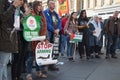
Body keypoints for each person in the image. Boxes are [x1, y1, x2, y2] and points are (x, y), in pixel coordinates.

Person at [0, 0, 23, 80]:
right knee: (2, 64)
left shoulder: (11, 4)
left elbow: (14, 23)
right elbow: (2, 18)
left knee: (4, 64)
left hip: (10, 37)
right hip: (4, 37)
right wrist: (13, 6)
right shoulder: (3, 3)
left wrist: (22, 18)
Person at [44, 0, 62, 71]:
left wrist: (58, 29)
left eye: (54, 4)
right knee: (47, 49)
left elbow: (59, 23)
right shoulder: (45, 13)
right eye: (52, 3)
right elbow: (47, 23)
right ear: (48, 4)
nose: (53, 5)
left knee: (54, 49)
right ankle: (45, 66)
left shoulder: (56, 14)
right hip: (49, 33)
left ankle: (52, 64)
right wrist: (53, 30)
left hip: (56, 34)